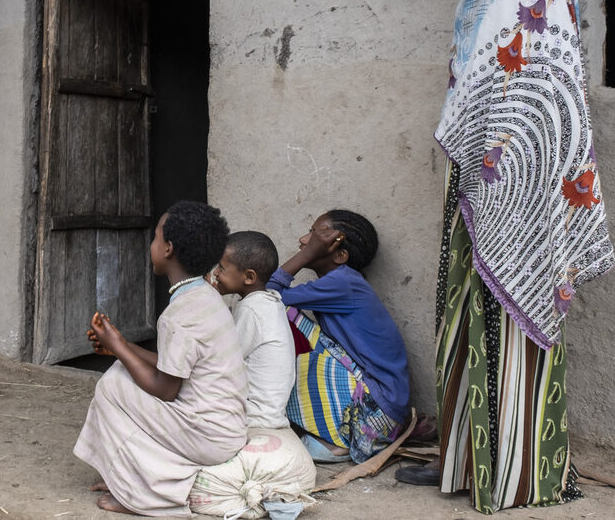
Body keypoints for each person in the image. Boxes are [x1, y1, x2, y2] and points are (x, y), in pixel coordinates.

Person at [397, 0, 615, 513]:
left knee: (495, 302)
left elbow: (516, 81)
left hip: (507, 174)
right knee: (473, 304)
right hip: (498, 168)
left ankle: (514, 474)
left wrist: (489, 157)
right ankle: (471, 463)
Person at [75, 201, 247, 516]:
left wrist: (117, 344)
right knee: (120, 371)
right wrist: (120, 346)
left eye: (155, 238)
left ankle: (140, 496)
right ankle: (122, 474)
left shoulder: (181, 314)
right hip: (225, 427)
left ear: (167, 249)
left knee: (112, 387)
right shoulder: (205, 295)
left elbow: (166, 388)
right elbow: (173, 365)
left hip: (208, 435)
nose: (151, 244)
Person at [270, 210, 409, 464]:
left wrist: (304, 256)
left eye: (313, 237)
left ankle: (338, 442)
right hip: (383, 415)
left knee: (282, 311)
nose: (303, 240)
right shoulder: (340, 283)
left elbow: (266, 296)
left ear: (340, 255)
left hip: (375, 415)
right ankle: (332, 432)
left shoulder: (342, 283)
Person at [207, 231, 293, 429]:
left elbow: (222, 360)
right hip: (267, 411)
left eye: (221, 268)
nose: (216, 273)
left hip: (256, 414)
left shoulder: (253, 309)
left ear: (249, 277)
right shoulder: (265, 301)